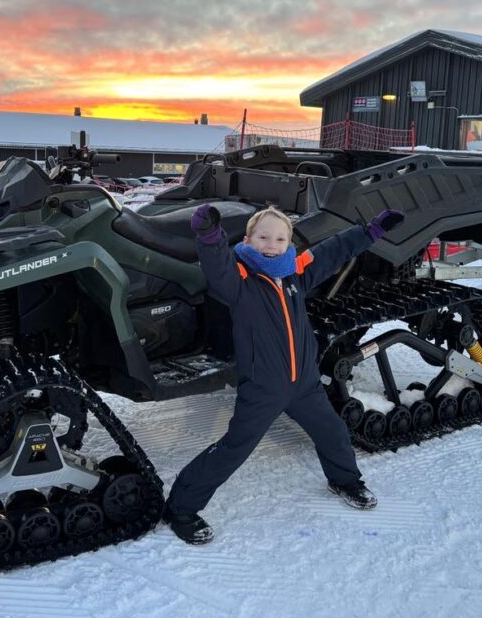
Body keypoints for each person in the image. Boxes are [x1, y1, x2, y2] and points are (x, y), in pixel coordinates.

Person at [162, 203, 405, 544]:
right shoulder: (240, 280)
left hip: (304, 384)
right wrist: (210, 235)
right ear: (248, 239)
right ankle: (181, 507)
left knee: (333, 431)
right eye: (263, 237)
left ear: (289, 242)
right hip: (263, 389)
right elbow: (217, 266)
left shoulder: (294, 273)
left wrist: (370, 232)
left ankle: (345, 480)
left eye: (279, 237)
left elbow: (331, 252)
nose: (271, 244)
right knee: (234, 448)